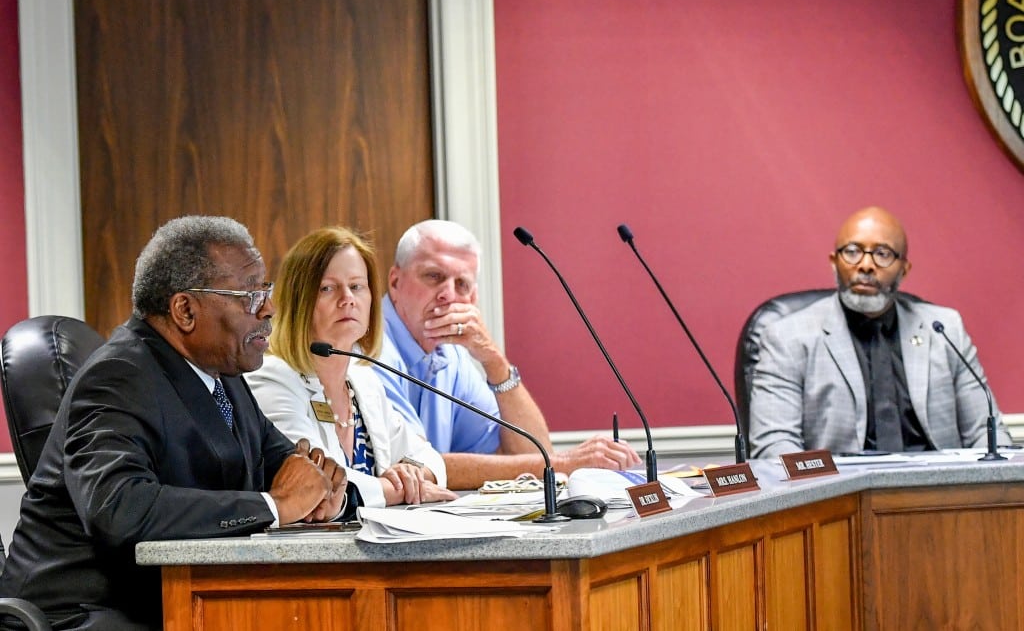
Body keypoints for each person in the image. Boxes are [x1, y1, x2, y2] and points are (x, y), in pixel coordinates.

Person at [0, 216, 350, 630]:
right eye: (250, 294)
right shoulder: (117, 377)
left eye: (266, 290)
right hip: (83, 615)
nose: (269, 308)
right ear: (185, 309)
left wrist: (326, 494)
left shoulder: (223, 375)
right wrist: (276, 505)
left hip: (181, 600)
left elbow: (286, 465)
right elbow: (121, 509)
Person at [377, 219, 641, 490]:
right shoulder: (368, 347)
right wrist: (563, 463)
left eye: (462, 285)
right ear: (395, 282)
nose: (448, 295)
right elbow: (415, 466)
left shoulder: (451, 354)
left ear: (473, 298)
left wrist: (494, 361)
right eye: (434, 276)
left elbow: (529, 451)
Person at [748, 206, 1011, 459]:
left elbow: (987, 434)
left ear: (904, 269)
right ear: (833, 262)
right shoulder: (787, 337)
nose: (865, 265)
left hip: (936, 494)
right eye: (852, 252)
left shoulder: (944, 329)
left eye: (883, 254)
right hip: (839, 497)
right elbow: (775, 445)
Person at [248, 226, 456, 507]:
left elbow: (429, 457)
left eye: (357, 286)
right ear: (299, 302)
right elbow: (312, 483)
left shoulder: (363, 382)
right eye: (328, 288)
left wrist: (415, 474)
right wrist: (397, 490)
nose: (347, 299)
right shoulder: (273, 378)